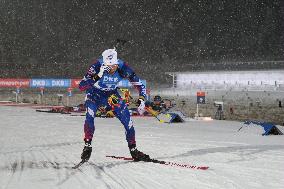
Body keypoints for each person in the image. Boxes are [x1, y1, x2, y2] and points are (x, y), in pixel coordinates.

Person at [78, 49, 150, 162]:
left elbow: (140, 85)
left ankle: (134, 150)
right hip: (94, 94)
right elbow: (81, 86)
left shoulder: (123, 68)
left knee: (128, 121)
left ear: (117, 64)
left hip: (111, 95)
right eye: (108, 67)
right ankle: (87, 146)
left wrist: (142, 99)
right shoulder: (96, 66)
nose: (111, 69)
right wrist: (98, 75)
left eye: (113, 66)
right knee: (89, 116)